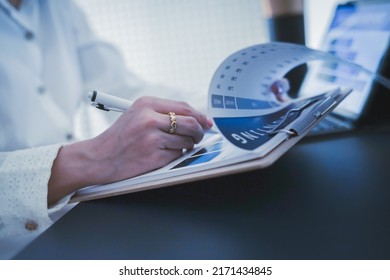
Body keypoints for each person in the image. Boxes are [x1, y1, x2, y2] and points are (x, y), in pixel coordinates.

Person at [0, 0, 212, 257]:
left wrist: (229, 103)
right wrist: (93, 158)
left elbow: (122, 90)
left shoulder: (59, 8)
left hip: (78, 218)